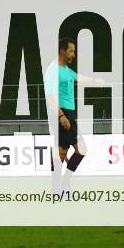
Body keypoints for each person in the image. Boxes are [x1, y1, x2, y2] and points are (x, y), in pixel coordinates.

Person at [44, 38, 103, 195]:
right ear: (62, 50)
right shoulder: (53, 70)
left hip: (68, 113)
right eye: (71, 50)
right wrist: (61, 115)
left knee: (62, 151)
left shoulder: (66, 69)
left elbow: (78, 77)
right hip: (61, 113)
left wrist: (96, 80)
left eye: (74, 51)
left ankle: (57, 187)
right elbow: (50, 96)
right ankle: (62, 184)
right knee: (80, 149)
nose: (73, 54)